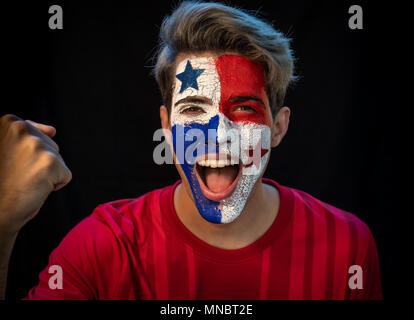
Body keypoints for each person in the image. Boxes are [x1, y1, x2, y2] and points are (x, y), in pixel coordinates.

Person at [0, 1, 382, 300]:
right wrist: (3, 223)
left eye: (244, 107)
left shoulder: (346, 246)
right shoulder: (103, 246)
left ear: (278, 128)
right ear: (167, 128)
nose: (219, 132)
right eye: (195, 108)